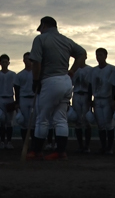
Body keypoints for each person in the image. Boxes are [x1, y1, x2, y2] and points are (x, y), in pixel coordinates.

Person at [27, 16, 86, 161]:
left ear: (44, 26)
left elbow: (37, 63)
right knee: (60, 119)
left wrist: (35, 80)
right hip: (66, 81)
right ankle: (60, 151)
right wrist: (72, 71)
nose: (40, 31)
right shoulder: (65, 40)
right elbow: (82, 53)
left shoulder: (40, 39)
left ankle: (36, 151)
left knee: (42, 118)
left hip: (50, 80)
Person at [89, 48, 115, 154]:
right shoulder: (93, 70)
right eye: (97, 55)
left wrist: (113, 100)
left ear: (105, 56)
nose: (98, 57)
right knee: (100, 124)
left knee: (108, 123)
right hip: (97, 99)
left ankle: (110, 147)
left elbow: (114, 86)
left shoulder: (111, 69)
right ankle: (103, 146)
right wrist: (90, 99)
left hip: (107, 98)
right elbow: (90, 86)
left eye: (100, 55)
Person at [0, 54, 17, 149]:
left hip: (10, 98)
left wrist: (16, 101)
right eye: (3, 62)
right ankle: (2, 141)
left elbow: (16, 87)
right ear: (0, 63)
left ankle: (9, 142)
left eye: (6, 62)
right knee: (1, 121)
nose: (4, 63)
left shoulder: (13, 74)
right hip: (1, 98)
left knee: (9, 122)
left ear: (9, 63)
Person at [71, 52, 92, 153]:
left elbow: (91, 85)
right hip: (76, 94)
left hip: (85, 95)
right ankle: (80, 145)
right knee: (77, 121)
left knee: (86, 120)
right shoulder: (74, 70)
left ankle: (87, 146)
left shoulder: (90, 70)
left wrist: (90, 99)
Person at [13, 52, 34, 143]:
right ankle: (25, 142)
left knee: (33, 122)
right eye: (26, 59)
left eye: (30, 59)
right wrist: (17, 102)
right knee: (23, 122)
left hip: (34, 98)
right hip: (23, 98)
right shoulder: (20, 75)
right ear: (23, 60)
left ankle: (34, 143)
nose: (28, 61)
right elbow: (16, 89)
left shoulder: (36, 73)